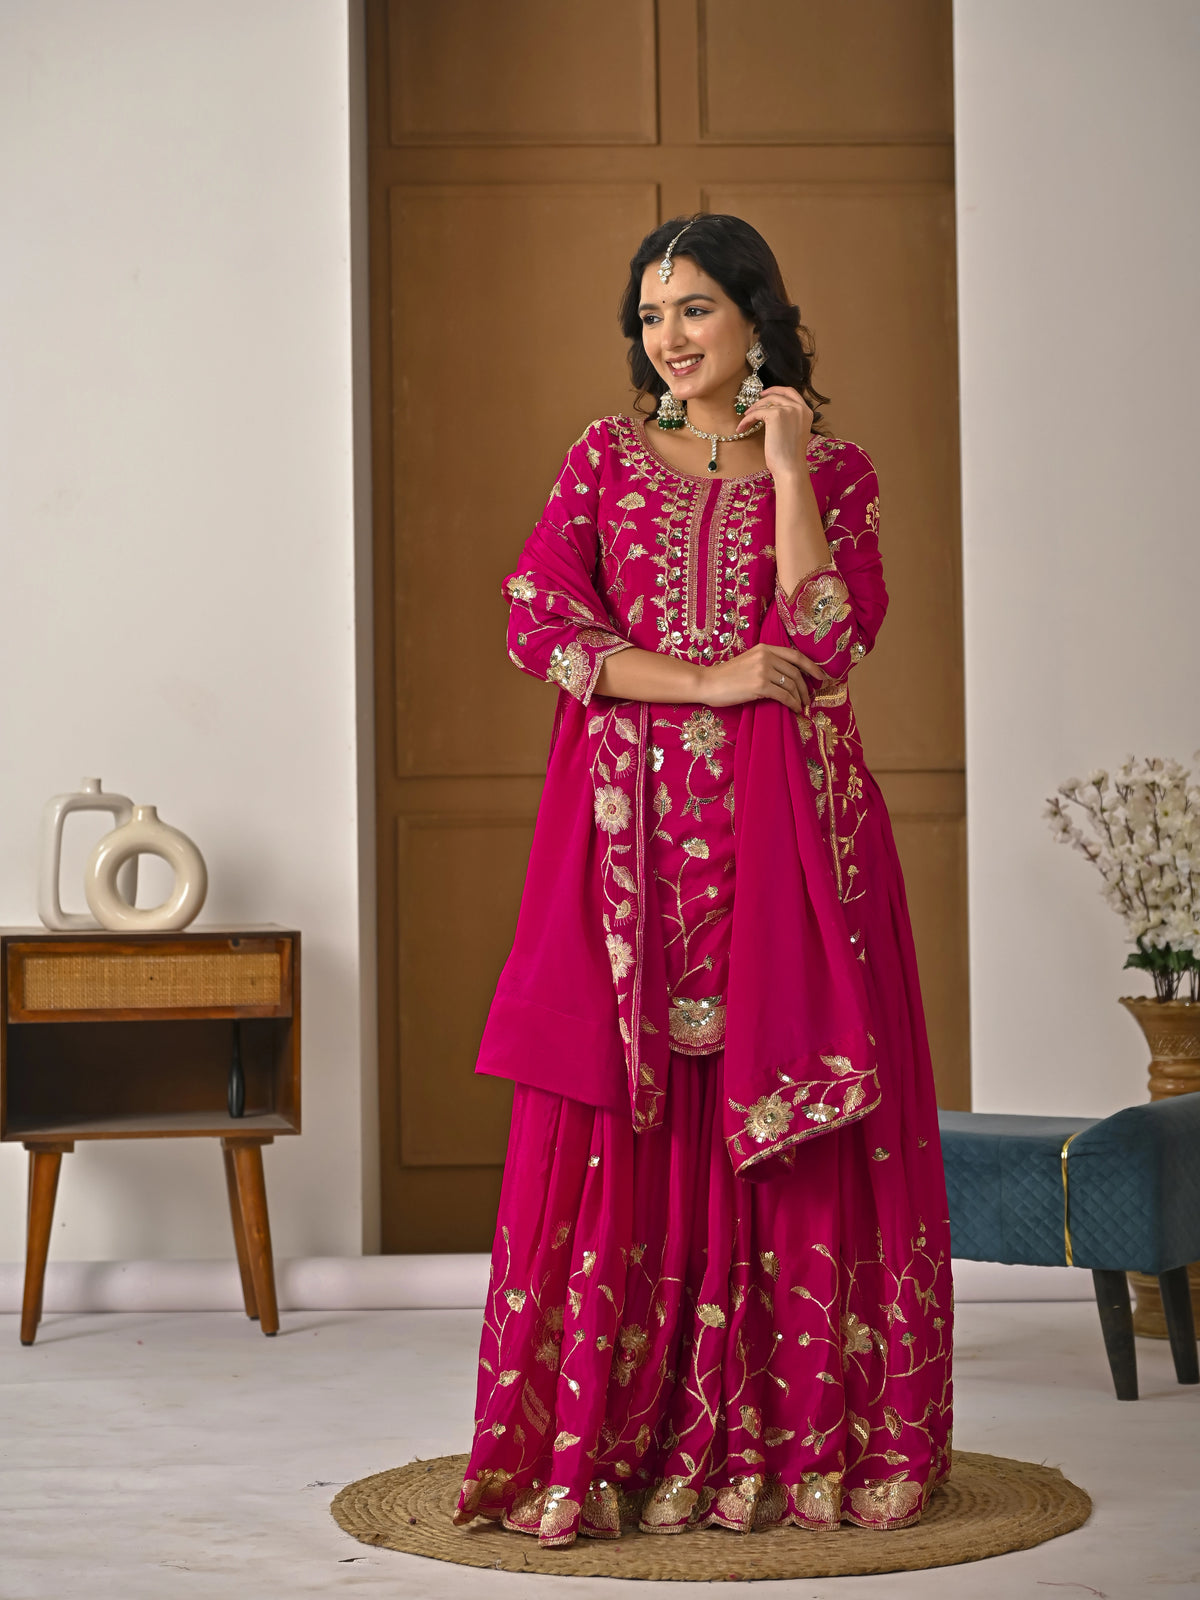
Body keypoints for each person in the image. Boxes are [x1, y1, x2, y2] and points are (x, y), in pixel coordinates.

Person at [452, 213, 953, 1548]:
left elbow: (830, 640)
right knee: (639, 1118)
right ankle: (631, 1439)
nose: (668, 341)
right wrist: (711, 680)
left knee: (786, 1116)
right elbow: (538, 622)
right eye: (650, 317)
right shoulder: (601, 462)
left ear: (755, 316)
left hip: (795, 840)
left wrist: (787, 466)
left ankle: (797, 1444)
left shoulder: (832, 470)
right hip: (628, 839)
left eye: (695, 311)